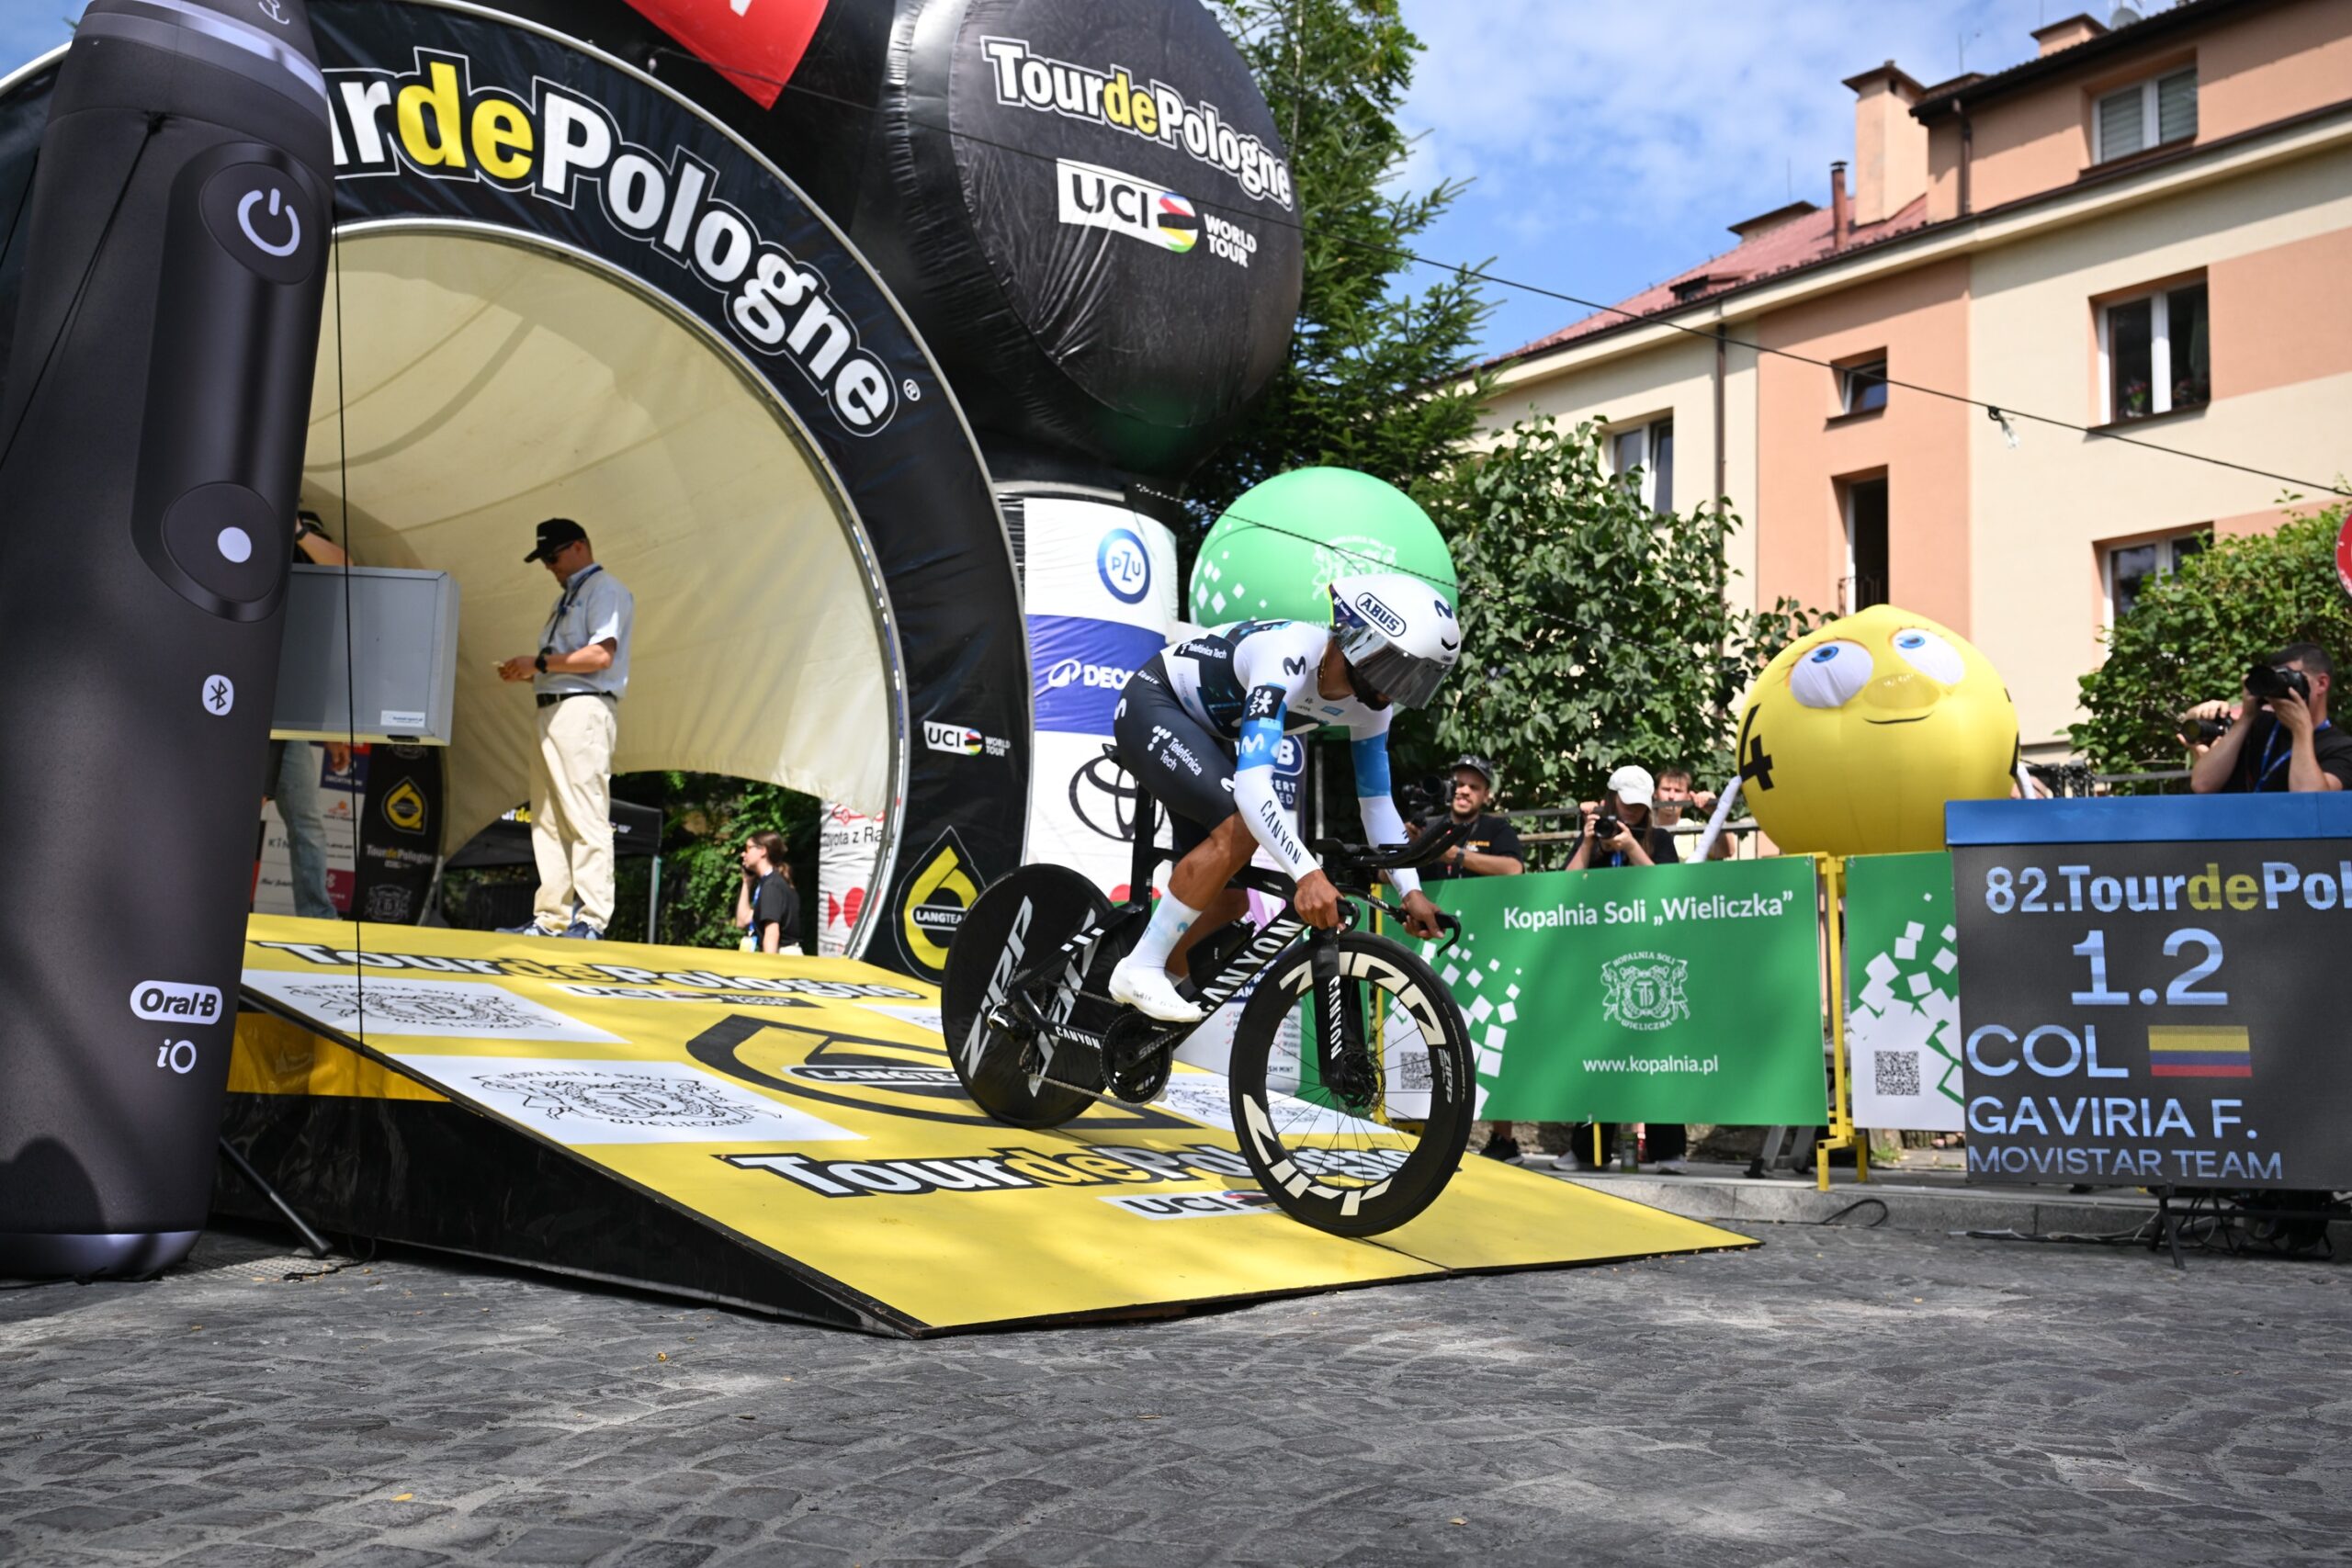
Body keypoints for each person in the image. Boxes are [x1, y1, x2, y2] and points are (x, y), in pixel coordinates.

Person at [1105, 573, 1457, 1022]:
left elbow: (1376, 803)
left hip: (1210, 735)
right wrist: (1307, 874)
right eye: (1396, 669)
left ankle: (1132, 1019)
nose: (1394, 691)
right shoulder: (1289, 655)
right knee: (1239, 828)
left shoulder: (1372, 709)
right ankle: (1140, 967)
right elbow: (1254, 789)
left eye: (1411, 679)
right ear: (1361, 638)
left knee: (1228, 904)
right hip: (1156, 702)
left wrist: (1411, 891)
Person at [497, 519, 633, 940]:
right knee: (547, 818)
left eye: (553, 557)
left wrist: (538, 663)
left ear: (579, 547)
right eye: (544, 559)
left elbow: (600, 656)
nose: (549, 566)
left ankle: (592, 919)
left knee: (585, 814)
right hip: (552, 708)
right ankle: (550, 918)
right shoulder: (569, 595)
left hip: (582, 708)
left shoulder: (604, 589)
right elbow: (570, 660)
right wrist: (531, 672)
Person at [1560, 764, 1688, 1175]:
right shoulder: (1592, 837)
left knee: (1658, 1056)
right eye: (1624, 802)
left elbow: (1670, 889)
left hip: (1650, 958)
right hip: (1598, 961)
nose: (1630, 811)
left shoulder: (1659, 839)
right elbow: (1564, 887)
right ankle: (1588, 1151)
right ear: (1610, 798)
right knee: (1597, 1055)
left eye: (1638, 805)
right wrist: (1587, 842)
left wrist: (1632, 847)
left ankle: (1669, 1151)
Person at [1421, 753, 1532, 1163]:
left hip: (1487, 948)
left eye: (1474, 786)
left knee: (1492, 1033)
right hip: (1434, 945)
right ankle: (1430, 1132)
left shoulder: (1495, 828)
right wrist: (1412, 844)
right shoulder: (1431, 827)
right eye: (1459, 783)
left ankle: (1504, 1138)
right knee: (1432, 1034)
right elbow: (1390, 876)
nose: (1464, 791)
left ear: (1486, 795)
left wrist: (1455, 856)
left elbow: (1513, 869)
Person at [263, 510, 353, 920]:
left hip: (288, 722)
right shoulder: (255, 554)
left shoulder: (315, 575)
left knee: (308, 822)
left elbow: (344, 564)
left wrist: (300, 530)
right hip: (243, 710)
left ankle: (317, 914)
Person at [2187, 642, 2351, 795]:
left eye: (2288, 678)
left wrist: (2301, 730)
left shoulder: (2342, 748)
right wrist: (2246, 717)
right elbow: (2202, 784)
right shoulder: (2255, 725)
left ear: (2321, 684)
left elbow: (2310, 800)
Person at [736, 830, 804, 955]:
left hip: (781, 956)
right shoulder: (768, 882)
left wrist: (768, 965)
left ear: (762, 851)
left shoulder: (772, 886)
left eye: (748, 848)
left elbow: (772, 933)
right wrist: (747, 882)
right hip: (780, 954)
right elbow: (742, 921)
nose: (743, 854)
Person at [1655, 764, 1732, 860]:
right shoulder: (1644, 827)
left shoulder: (1697, 829)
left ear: (1688, 796)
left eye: (1678, 791)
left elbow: (1728, 851)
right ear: (1655, 793)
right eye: (1666, 789)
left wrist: (1716, 811)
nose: (1671, 796)